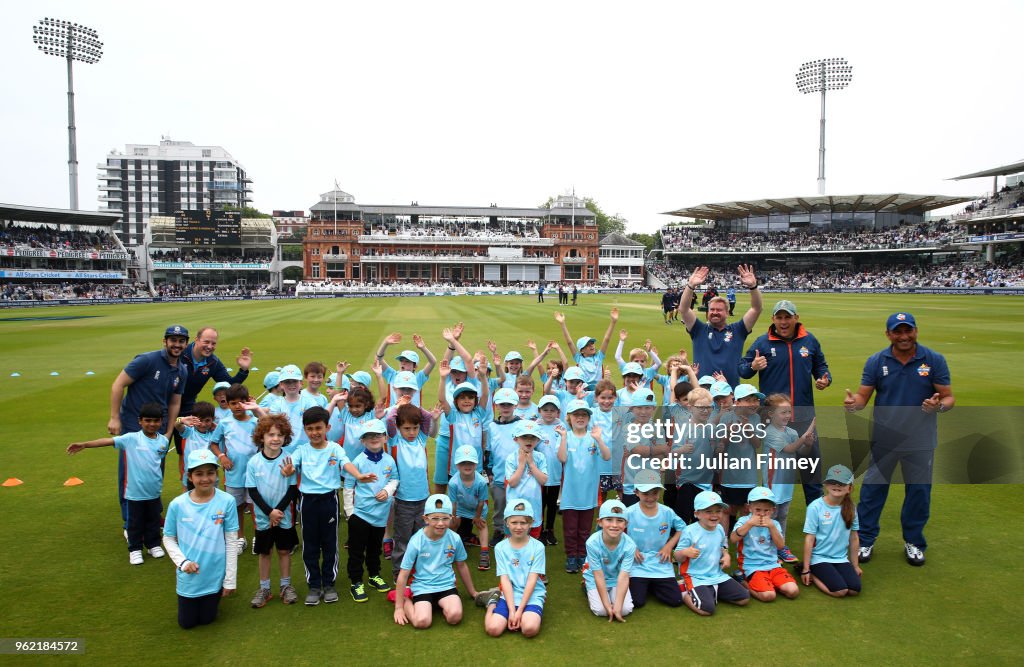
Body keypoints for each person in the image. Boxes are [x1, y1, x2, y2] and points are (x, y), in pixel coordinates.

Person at [846, 312, 954, 567]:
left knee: (918, 493)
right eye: (898, 332)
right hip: (885, 439)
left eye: (908, 331)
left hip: (921, 440)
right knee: (873, 492)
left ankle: (914, 542)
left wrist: (937, 406)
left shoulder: (933, 360)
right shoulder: (876, 361)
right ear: (888, 334)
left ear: (916, 330)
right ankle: (865, 540)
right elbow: (863, 397)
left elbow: (948, 397)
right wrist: (854, 404)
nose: (904, 336)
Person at [738, 299, 831, 503]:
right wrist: (753, 366)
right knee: (775, 471)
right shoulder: (763, 343)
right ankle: (768, 514)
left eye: (787, 317)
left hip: (804, 416)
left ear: (796, 318)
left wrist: (825, 378)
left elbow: (821, 367)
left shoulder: (809, 341)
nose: (783, 321)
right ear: (773, 319)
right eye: (779, 317)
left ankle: (815, 514)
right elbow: (742, 370)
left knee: (810, 467)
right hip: (774, 422)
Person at [279, 406, 370, 606]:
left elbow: (346, 463)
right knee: (310, 545)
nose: (314, 433)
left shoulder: (335, 449)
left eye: (318, 428)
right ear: (304, 430)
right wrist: (288, 471)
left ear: (327, 427)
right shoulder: (301, 450)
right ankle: (314, 585)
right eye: (309, 429)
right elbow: (291, 466)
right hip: (308, 502)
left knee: (330, 544)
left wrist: (358, 476)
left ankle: (329, 584)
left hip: (329, 501)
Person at [107, 324, 189, 533]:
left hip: (159, 430)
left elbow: (174, 403)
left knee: (154, 473)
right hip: (134, 427)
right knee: (130, 475)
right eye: (173, 340)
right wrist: (115, 418)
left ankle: (152, 518)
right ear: (165, 341)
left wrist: (169, 431)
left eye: (181, 341)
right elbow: (118, 384)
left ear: (186, 344)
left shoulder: (182, 370)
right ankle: (131, 524)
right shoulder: (146, 360)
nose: (177, 345)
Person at [68, 402, 170, 565]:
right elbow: (107, 441)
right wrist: (85, 444)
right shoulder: (131, 439)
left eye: (156, 421)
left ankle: (153, 545)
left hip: (154, 491)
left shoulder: (163, 441)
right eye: (148, 420)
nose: (152, 424)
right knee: (135, 523)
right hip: (134, 493)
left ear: (161, 421)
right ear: (140, 421)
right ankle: (135, 550)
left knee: (153, 519)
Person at [162, 450, 238, 629]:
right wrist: (183, 562)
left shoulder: (227, 501)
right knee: (187, 623)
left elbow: (232, 541)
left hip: (215, 573)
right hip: (188, 574)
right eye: (199, 474)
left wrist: (230, 580)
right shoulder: (177, 505)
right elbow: (168, 538)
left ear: (217, 475)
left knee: (207, 619)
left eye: (210, 473)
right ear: (189, 477)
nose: (205, 478)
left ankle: (214, 595)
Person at [393, 494, 481, 628]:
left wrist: (473, 592)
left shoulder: (455, 539)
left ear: (451, 518)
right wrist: (399, 608)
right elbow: (404, 573)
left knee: (455, 616)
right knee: (421, 622)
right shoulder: (416, 541)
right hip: (423, 586)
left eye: (445, 518)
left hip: (446, 585)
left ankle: (437, 604)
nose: (440, 523)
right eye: (435, 518)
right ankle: (405, 600)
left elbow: (461, 566)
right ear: (426, 519)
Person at [245, 414, 299, 607]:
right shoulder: (253, 463)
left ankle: (285, 586)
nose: (275, 439)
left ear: (285, 438)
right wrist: (269, 512)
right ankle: (264, 588)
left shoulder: (288, 460)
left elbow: (293, 489)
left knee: (284, 551)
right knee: (265, 552)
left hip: (284, 516)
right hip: (263, 518)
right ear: (262, 437)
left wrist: (278, 511)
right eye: (271, 435)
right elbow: (253, 491)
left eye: (280, 435)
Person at [678, 265, 762, 387]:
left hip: (729, 392)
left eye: (719, 310)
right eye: (712, 309)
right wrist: (690, 286)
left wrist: (753, 287)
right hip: (702, 393)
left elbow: (756, 308)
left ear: (727, 313)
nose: (715, 312)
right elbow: (684, 309)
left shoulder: (738, 330)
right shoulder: (699, 329)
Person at [344, 419, 399, 603]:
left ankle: (374, 575)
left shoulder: (389, 460)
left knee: (375, 549)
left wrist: (387, 491)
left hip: (380, 516)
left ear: (385, 437)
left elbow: (394, 479)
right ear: (362, 441)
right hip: (360, 515)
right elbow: (348, 486)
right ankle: (356, 582)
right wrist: (350, 512)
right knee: (357, 550)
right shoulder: (358, 461)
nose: (374, 438)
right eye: (369, 436)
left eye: (378, 435)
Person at [760, 394, 816, 564]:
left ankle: (780, 546)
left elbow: (802, 453)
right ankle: (767, 549)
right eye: (782, 412)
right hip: (773, 483)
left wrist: (808, 443)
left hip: (786, 483)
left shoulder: (791, 432)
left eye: (788, 412)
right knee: (771, 515)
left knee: (783, 515)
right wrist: (804, 437)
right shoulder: (769, 433)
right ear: (771, 414)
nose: (787, 415)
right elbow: (790, 448)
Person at [556, 400, 610, 574]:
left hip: (589, 493)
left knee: (585, 528)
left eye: (584, 415)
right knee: (571, 528)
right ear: (569, 418)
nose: (580, 418)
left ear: (589, 418)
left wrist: (599, 439)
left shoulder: (593, 436)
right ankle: (571, 556)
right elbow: (562, 458)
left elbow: (607, 456)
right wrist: (564, 438)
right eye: (576, 415)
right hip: (570, 494)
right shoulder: (566, 436)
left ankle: (583, 555)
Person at [207, 383, 261, 555]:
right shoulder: (224, 423)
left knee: (254, 505)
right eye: (233, 403)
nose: (237, 406)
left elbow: (263, 443)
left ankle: (257, 537)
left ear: (248, 402)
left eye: (241, 402)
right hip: (233, 473)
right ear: (228, 404)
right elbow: (214, 443)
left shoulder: (255, 421)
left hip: (254, 473)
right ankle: (240, 538)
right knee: (236, 506)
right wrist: (222, 457)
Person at [676, 490, 750, 616]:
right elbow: (677, 556)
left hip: (717, 575)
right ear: (697, 514)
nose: (714, 515)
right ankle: (683, 591)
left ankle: (711, 592)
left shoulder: (720, 528)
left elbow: (723, 547)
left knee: (744, 598)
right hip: (695, 577)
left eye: (718, 511)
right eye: (708, 511)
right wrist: (685, 551)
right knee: (706, 609)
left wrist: (726, 556)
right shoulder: (689, 531)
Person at [482, 500, 546, 638]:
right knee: (493, 629)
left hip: (532, 595)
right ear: (507, 522)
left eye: (523, 523)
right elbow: (505, 579)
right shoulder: (500, 547)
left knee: (529, 629)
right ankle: (493, 601)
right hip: (509, 594)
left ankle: (525, 612)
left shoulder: (538, 547)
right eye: (514, 522)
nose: (518, 527)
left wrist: (520, 610)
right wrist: (512, 611)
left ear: (531, 523)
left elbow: (532, 580)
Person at [625, 470, 685, 609]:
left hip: (661, 563)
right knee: (637, 601)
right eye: (646, 493)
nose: (651, 497)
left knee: (675, 600)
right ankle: (646, 584)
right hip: (638, 563)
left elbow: (682, 528)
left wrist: (669, 546)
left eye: (655, 492)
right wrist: (630, 547)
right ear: (636, 492)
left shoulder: (667, 512)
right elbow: (617, 532)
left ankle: (652, 584)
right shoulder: (629, 512)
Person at [801, 465, 862, 597]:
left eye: (841, 483)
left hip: (841, 559)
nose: (836, 485)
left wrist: (855, 565)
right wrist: (806, 569)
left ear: (849, 488)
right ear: (826, 485)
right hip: (819, 558)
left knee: (854, 589)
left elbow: (854, 537)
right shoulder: (815, 507)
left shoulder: (851, 507)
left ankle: (830, 573)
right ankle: (813, 572)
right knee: (840, 591)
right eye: (832, 482)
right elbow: (809, 538)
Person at [731, 487, 799, 603]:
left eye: (766, 510)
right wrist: (749, 524)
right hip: (751, 566)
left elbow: (781, 546)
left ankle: (769, 583)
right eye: (758, 509)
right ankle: (741, 580)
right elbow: (733, 538)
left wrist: (771, 527)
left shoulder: (774, 524)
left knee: (793, 591)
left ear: (773, 510)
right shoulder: (744, 521)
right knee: (769, 596)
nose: (762, 514)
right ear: (749, 508)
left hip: (773, 565)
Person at [178, 326, 252, 425]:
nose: (209, 346)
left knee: (185, 439)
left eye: (213, 343)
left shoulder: (213, 362)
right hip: (165, 404)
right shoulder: (180, 354)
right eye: (206, 342)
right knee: (160, 438)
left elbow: (229, 385)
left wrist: (243, 370)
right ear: (196, 340)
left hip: (187, 407)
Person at [582, 499, 636, 620]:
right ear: (600, 522)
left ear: (626, 524)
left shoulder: (630, 545)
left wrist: (617, 607)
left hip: (617, 578)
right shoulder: (592, 543)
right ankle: (586, 586)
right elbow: (598, 575)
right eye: (609, 519)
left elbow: (624, 576)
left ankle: (611, 597)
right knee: (601, 610)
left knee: (625, 609)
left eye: (620, 520)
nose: (614, 525)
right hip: (596, 577)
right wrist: (607, 605)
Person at [447, 446, 491, 570]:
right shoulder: (453, 483)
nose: (467, 465)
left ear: (476, 464)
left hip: (477, 508)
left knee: (482, 524)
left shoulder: (481, 482)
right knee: (452, 524)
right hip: (461, 508)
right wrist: (454, 517)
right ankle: (448, 548)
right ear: (457, 465)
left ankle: (484, 552)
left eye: (470, 462)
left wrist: (477, 517)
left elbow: (482, 502)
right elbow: (453, 503)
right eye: (463, 463)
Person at [554, 307, 618, 390]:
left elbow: (606, 340)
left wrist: (613, 322)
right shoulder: (579, 358)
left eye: (592, 343)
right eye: (588, 345)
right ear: (582, 350)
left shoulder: (599, 357)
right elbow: (569, 343)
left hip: (598, 390)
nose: (592, 346)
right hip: (583, 390)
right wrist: (562, 324)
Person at [506, 420, 549, 539]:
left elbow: (543, 480)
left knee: (533, 537)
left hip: (534, 505)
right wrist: (521, 464)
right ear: (516, 439)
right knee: (514, 536)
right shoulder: (511, 458)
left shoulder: (540, 457)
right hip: (515, 506)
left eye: (533, 437)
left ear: (538, 440)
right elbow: (513, 483)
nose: (529, 440)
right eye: (524, 437)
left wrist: (531, 463)